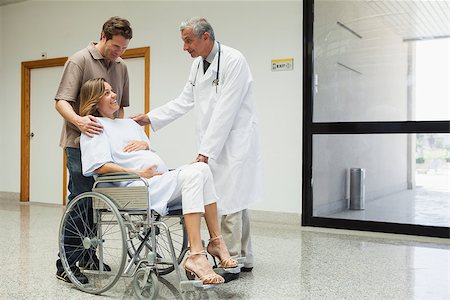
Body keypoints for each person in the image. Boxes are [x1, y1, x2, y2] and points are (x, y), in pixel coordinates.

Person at [131, 17, 263, 272]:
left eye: (188, 41)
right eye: (183, 41)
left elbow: (226, 109)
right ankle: (243, 257)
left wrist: (205, 152)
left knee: (232, 198)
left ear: (206, 38)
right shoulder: (197, 65)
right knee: (232, 197)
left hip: (235, 140)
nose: (185, 47)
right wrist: (151, 117)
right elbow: (184, 100)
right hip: (214, 141)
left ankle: (232, 260)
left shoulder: (234, 60)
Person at [79, 78, 238, 285]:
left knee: (202, 168)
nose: (114, 95)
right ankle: (197, 255)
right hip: (135, 186)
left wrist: (145, 147)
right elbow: (99, 166)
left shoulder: (130, 124)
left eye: (112, 90)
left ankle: (215, 242)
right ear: (94, 101)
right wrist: (136, 172)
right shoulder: (94, 126)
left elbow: (148, 154)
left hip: (156, 181)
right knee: (194, 174)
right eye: (106, 93)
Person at [54, 16, 132, 284]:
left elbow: (120, 109)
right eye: (115, 47)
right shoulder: (80, 60)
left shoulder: (121, 67)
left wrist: (120, 137)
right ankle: (65, 262)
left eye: (123, 48)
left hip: (106, 144)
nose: (119, 53)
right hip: (79, 143)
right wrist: (78, 120)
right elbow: (62, 101)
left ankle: (88, 255)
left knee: (97, 203)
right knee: (80, 198)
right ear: (103, 36)